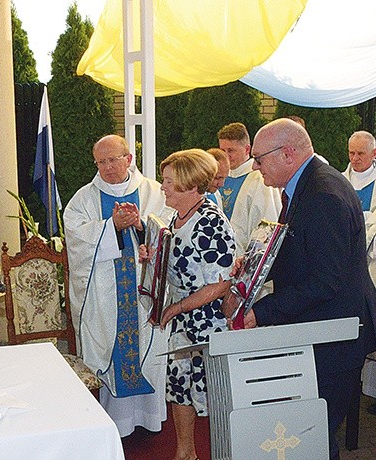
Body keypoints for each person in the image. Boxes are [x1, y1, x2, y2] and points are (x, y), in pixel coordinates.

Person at [242, 118, 376, 459]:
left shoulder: (323, 194)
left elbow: (325, 280)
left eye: (259, 158)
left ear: (287, 154)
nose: (256, 166)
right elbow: (299, 249)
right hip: (321, 328)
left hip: (333, 336)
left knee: (313, 435)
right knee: (311, 433)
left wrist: (262, 311)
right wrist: (254, 265)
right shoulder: (308, 184)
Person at [64, 134, 170, 437]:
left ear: (129, 159)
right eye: (101, 161)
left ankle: (150, 418)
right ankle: (118, 423)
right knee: (114, 348)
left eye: (113, 159)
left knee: (146, 351)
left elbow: (169, 226)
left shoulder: (154, 192)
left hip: (143, 286)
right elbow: (76, 238)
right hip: (105, 291)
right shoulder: (84, 198)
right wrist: (111, 227)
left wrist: (139, 225)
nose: (108, 167)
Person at [140, 149, 235, 460]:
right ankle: (185, 454)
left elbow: (222, 284)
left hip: (208, 321)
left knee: (215, 394)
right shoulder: (178, 215)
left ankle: (226, 452)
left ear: (190, 185)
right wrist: (151, 257)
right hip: (184, 316)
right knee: (179, 386)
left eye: (169, 181)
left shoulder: (210, 222)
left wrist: (177, 308)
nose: (163, 187)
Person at [342, 130, 376, 415]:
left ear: (374, 154)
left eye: (361, 154)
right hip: (348, 268)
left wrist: (362, 224)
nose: (355, 159)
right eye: (351, 153)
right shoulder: (341, 180)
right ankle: (352, 388)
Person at [218, 122, 281, 256]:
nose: (226, 156)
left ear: (247, 149)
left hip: (243, 258)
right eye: (222, 151)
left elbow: (267, 224)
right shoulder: (219, 177)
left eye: (231, 151)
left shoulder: (260, 178)